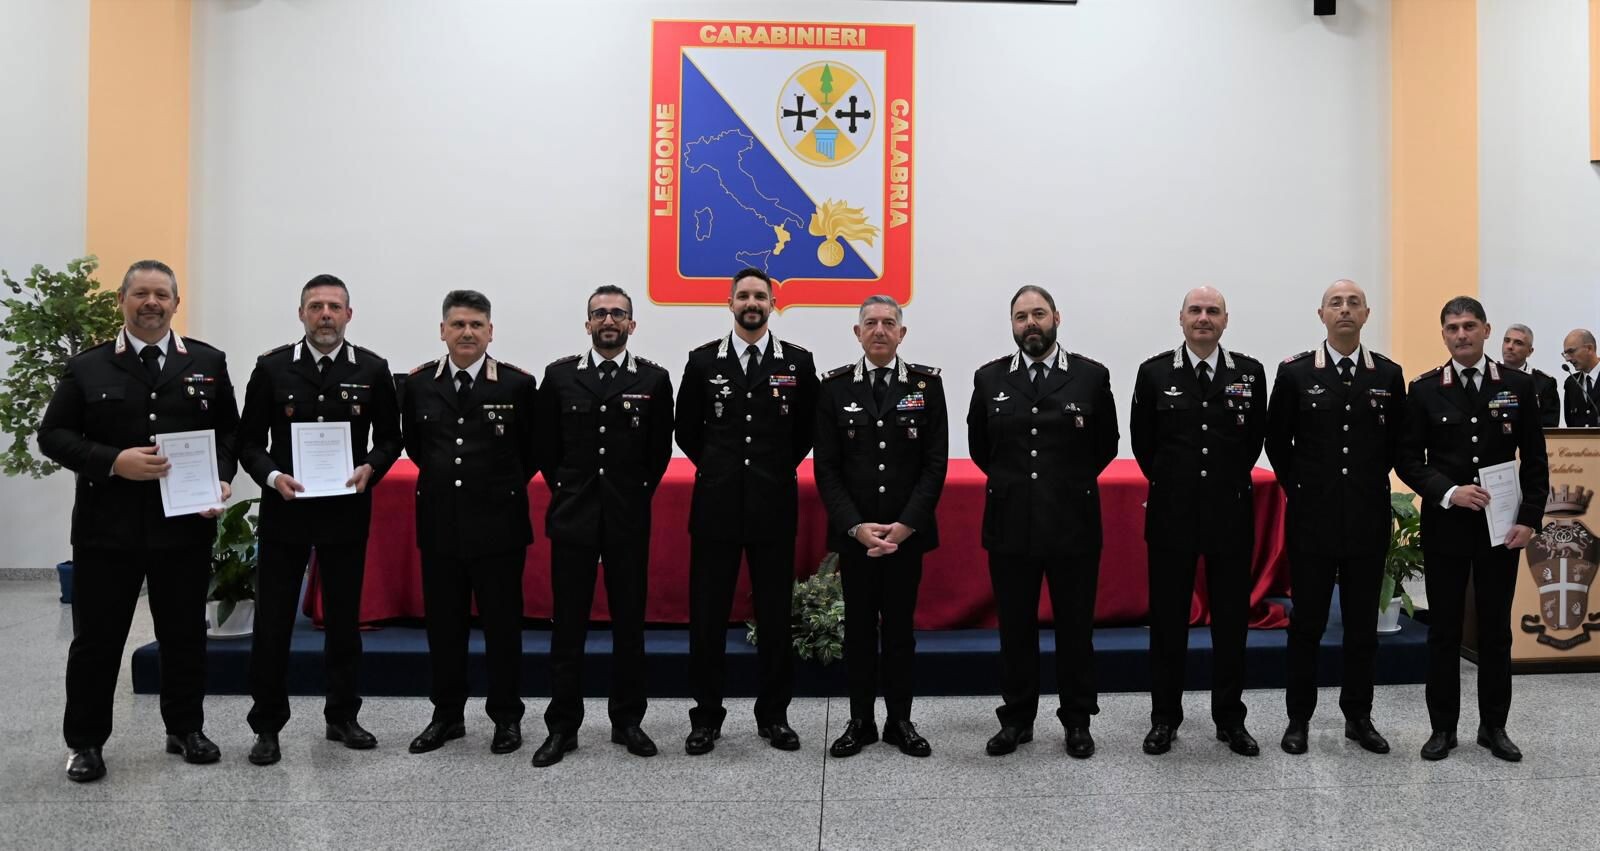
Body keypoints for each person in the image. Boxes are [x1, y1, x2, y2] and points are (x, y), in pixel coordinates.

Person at [38, 259, 239, 783]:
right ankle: (84, 742)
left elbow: (228, 435)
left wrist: (219, 478)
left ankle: (185, 728)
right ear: (123, 301)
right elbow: (53, 435)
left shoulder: (208, 362)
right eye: (141, 294)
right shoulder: (89, 367)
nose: (152, 303)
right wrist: (112, 461)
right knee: (97, 640)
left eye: (161, 295)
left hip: (183, 527)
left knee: (183, 635)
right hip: (108, 529)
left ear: (176, 303)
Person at [236, 274, 402, 765]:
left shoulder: (373, 369)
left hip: (346, 512)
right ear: (302, 314)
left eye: (334, 306)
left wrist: (372, 466)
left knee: (345, 622)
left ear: (349, 315)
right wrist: (270, 477)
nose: (325, 314)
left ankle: (342, 717)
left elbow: (392, 439)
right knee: (273, 624)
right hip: (287, 511)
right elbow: (248, 441)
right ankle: (266, 725)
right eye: (316, 306)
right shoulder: (271, 368)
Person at [967, 285, 1118, 759]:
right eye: (1020, 316)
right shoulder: (989, 378)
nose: (1030, 323)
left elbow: (1105, 445)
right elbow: (979, 447)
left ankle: (1077, 721)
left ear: (1057, 317)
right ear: (1011, 324)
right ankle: (1016, 720)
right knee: (1014, 629)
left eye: (1038, 314)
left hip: (1072, 522)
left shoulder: (1090, 377)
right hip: (1011, 522)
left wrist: (1060, 484)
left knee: (1075, 630)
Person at [1396, 296, 1549, 762]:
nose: (1460, 335)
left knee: (1495, 631)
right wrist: (1449, 491)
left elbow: (1536, 461)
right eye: (1452, 328)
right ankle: (1442, 728)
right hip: (1447, 527)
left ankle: (1494, 727)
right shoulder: (1424, 389)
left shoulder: (1518, 386)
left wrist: (1530, 519)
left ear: (1486, 330)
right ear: (1443, 335)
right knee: (1442, 630)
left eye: (1469, 326)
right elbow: (1408, 461)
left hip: (1501, 531)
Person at [676, 267, 819, 755]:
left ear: (772, 303)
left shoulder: (797, 363)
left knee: (776, 616)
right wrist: (721, 470)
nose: (751, 302)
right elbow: (687, 432)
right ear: (730, 302)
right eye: (743, 295)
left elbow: (805, 432)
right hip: (715, 505)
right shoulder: (701, 362)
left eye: (760, 295)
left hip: (773, 504)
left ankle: (774, 716)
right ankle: (706, 718)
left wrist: (770, 469)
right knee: (708, 618)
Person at [530, 285, 673, 767]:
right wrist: (572, 491)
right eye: (599, 314)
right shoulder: (559, 376)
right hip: (573, 518)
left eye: (618, 314)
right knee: (567, 627)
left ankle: (627, 721)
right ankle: (562, 727)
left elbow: (656, 456)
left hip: (628, 518)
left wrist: (628, 495)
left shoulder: (655, 379)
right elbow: (546, 450)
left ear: (632, 324)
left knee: (629, 626)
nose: (608, 320)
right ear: (587, 324)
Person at [1264, 280, 1405, 756]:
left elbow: (1396, 446)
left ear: (1367, 315)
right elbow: (1276, 441)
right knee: (1307, 624)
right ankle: (1298, 718)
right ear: (1320, 314)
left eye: (1354, 303)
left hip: (1365, 517)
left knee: (1363, 626)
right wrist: (1302, 488)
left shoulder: (1388, 375)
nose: (1344, 310)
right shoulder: (1296, 373)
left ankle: (1358, 718)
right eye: (1335, 303)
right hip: (1312, 519)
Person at [1130, 286, 1267, 757]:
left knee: (1232, 623)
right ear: (1181, 319)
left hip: (1230, 514)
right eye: (1196, 311)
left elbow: (1251, 444)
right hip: (1172, 515)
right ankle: (1164, 718)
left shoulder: (1249, 372)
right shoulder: (1153, 374)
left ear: (1226, 320)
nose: (1203, 318)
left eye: (1213, 311)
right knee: (1169, 623)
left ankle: (1230, 719)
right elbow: (1144, 446)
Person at [401, 290, 537, 756]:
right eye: (458, 324)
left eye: (476, 325)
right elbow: (418, 448)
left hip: (499, 526)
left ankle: (505, 717)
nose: (467, 332)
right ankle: (447, 716)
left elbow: (532, 452)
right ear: (442, 330)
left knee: (503, 627)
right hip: (440, 524)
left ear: (490, 331)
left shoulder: (518, 385)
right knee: (445, 627)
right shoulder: (418, 384)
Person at [814, 295, 947, 759]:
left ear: (902, 334)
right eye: (870, 323)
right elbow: (826, 469)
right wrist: (855, 527)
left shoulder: (927, 386)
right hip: (857, 539)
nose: (879, 330)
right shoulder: (832, 388)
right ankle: (860, 721)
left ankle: (899, 721)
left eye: (889, 323)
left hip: (904, 538)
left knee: (899, 631)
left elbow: (935, 465)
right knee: (857, 631)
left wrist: (906, 526)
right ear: (857, 333)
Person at [1499, 324, 1559, 427]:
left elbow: (1549, 427)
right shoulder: (1488, 376)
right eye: (1507, 340)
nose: (1510, 346)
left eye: (1518, 343)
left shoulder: (1545, 383)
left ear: (1530, 352)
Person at [1560, 328, 1599, 426]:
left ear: (1589, 348)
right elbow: (1571, 424)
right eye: (1565, 354)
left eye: (1571, 351)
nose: (1567, 359)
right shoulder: (1571, 383)